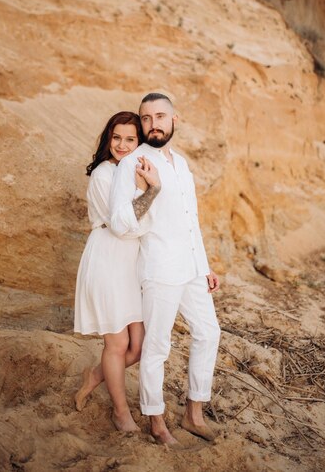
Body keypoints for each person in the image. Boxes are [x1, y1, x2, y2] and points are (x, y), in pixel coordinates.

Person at [110, 93, 221, 445]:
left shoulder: (183, 163)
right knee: (158, 346)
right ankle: (156, 422)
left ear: (175, 119)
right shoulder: (133, 163)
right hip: (159, 267)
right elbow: (119, 222)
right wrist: (151, 189)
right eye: (146, 118)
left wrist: (204, 266)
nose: (153, 123)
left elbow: (192, 221)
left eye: (160, 116)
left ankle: (193, 413)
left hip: (190, 267)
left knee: (209, 332)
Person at [74, 111, 160, 432]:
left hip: (129, 266)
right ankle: (121, 413)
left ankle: (96, 375)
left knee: (138, 346)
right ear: (108, 139)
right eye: (116, 137)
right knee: (117, 344)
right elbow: (122, 226)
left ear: (139, 143)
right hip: (107, 259)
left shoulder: (130, 170)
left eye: (130, 139)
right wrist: (149, 191)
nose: (122, 145)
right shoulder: (103, 175)